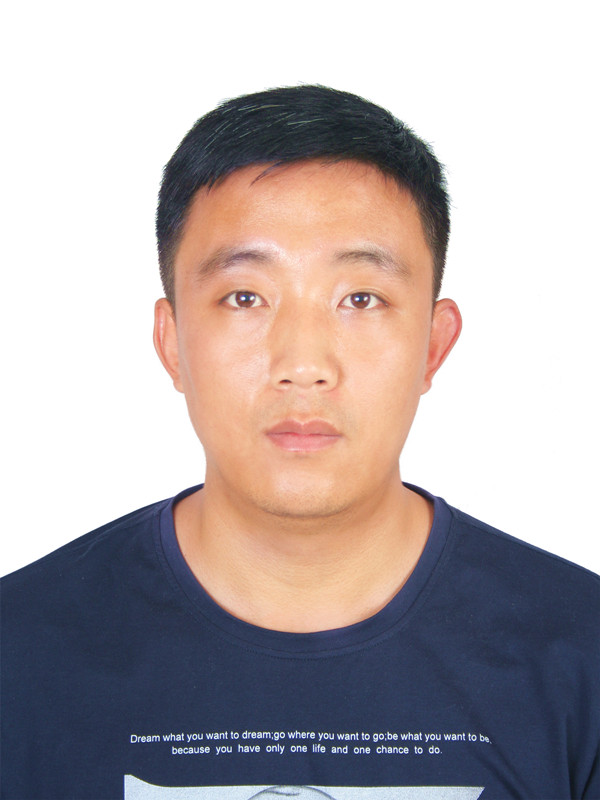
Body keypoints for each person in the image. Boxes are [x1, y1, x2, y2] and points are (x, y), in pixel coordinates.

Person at [1, 85, 598, 800]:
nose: (304, 364)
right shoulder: (20, 653)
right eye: (245, 297)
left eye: (360, 299)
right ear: (172, 343)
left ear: (434, 347)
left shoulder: (581, 655)